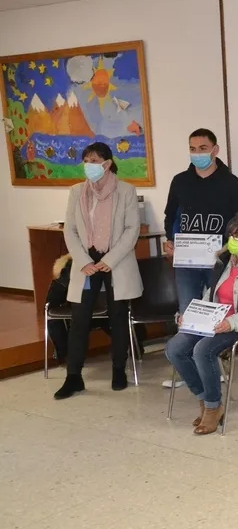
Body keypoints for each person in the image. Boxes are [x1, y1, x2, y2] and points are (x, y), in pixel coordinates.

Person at [165, 210, 238, 435]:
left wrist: (232, 322)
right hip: (214, 319)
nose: (233, 240)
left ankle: (213, 407)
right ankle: (204, 397)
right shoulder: (224, 261)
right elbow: (211, 293)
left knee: (202, 350)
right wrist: (191, 315)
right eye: (232, 235)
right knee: (175, 348)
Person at [54, 142, 144, 399]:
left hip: (116, 260)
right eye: (86, 161)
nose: (88, 166)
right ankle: (74, 377)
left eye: (94, 161)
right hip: (87, 263)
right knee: (80, 318)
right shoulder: (77, 192)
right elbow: (70, 229)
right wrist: (83, 260)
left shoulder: (126, 191)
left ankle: (118, 370)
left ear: (107, 163)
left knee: (118, 316)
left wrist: (111, 259)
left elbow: (132, 229)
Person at [163, 128, 238, 314]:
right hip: (186, 261)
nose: (197, 153)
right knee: (187, 312)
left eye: (203, 148)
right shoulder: (180, 181)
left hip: (220, 260)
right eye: (192, 149)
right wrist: (170, 239)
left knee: (221, 312)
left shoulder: (231, 183)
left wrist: (234, 251)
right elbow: (171, 215)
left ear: (215, 150)